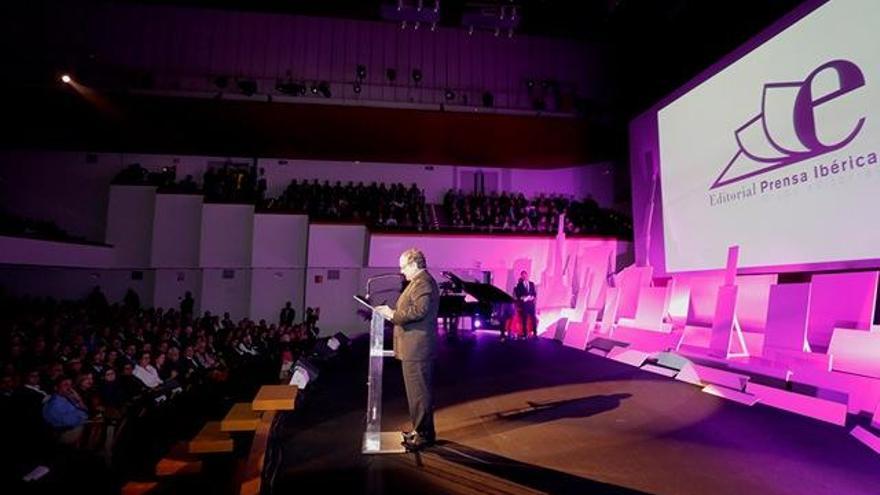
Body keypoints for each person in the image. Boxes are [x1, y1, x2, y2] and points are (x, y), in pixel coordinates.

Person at [375, 248, 440, 451]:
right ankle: (420, 430)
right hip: (413, 347)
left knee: (419, 393)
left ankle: (424, 435)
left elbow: (420, 310)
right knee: (416, 393)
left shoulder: (424, 283)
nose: (402, 271)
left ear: (414, 264)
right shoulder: (417, 282)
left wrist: (393, 315)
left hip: (418, 348)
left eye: (404, 267)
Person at [513, 270, 538, 338]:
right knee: (524, 319)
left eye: (525, 275)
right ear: (521, 276)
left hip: (531, 305)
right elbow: (518, 295)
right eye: (523, 275)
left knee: (533, 319)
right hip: (524, 305)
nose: (524, 276)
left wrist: (533, 297)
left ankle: (535, 333)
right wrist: (523, 298)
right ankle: (525, 333)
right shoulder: (519, 285)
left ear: (527, 275)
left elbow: (534, 293)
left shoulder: (531, 284)